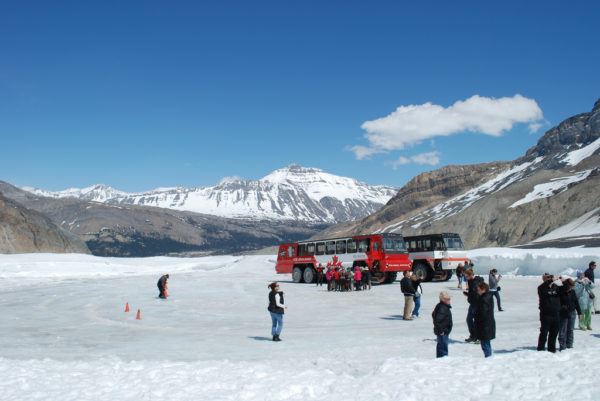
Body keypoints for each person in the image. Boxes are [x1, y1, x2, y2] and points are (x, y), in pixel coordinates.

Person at [537, 273, 562, 352]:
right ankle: (540, 348)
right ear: (543, 279)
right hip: (546, 314)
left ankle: (551, 349)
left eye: (549, 277)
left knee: (554, 333)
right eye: (546, 278)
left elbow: (565, 289)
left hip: (556, 313)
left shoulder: (556, 287)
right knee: (544, 332)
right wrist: (551, 280)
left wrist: (563, 280)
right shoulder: (541, 288)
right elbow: (544, 287)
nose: (548, 279)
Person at [558, 278, 581, 351]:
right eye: (570, 286)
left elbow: (576, 302)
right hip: (563, 313)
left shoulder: (573, 292)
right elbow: (556, 303)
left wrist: (580, 313)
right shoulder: (560, 291)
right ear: (566, 285)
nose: (571, 288)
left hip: (572, 313)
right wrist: (562, 307)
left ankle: (569, 345)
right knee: (562, 330)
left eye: (572, 286)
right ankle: (562, 346)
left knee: (570, 330)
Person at [474, 282, 495, 357]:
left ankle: (488, 358)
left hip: (485, 325)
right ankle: (488, 357)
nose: (477, 291)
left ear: (483, 289)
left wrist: (476, 315)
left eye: (478, 290)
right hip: (486, 324)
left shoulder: (484, 298)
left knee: (485, 344)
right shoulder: (486, 296)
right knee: (485, 343)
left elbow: (483, 312)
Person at [463, 268, 484, 342]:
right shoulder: (470, 281)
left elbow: (480, 292)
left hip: (478, 304)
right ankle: (473, 335)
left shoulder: (478, 281)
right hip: (472, 303)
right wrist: (468, 294)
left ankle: (479, 337)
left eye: (466, 276)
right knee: (469, 320)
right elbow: (472, 292)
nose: (466, 278)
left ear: (470, 275)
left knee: (477, 321)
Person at [432, 291, 453, 358]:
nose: (449, 300)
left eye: (449, 299)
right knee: (443, 348)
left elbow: (433, 315)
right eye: (448, 299)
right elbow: (437, 320)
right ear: (443, 299)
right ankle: (442, 361)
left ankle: (440, 360)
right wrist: (441, 331)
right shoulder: (442, 308)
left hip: (443, 331)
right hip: (443, 331)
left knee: (441, 347)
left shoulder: (442, 306)